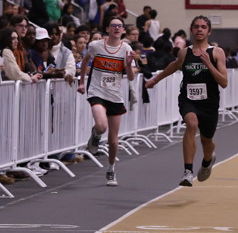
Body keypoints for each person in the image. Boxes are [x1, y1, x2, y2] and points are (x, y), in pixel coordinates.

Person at [145, 16, 229, 187]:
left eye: (203, 27)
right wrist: (156, 79)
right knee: (191, 125)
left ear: (209, 31)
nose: (199, 29)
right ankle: (188, 172)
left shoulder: (216, 52)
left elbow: (224, 82)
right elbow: (174, 65)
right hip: (188, 99)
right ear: (191, 29)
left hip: (209, 102)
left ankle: (207, 161)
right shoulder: (184, 52)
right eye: (196, 26)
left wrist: (208, 64)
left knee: (207, 140)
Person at [77, 16, 138, 186]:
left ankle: (111, 169)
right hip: (97, 91)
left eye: (120, 26)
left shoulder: (126, 48)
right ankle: (96, 134)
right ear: (108, 29)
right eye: (114, 25)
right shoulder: (96, 45)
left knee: (113, 139)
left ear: (123, 30)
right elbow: (85, 61)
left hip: (115, 96)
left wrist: (128, 64)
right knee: (101, 125)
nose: (117, 28)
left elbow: (130, 77)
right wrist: (82, 82)